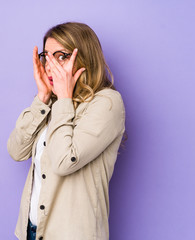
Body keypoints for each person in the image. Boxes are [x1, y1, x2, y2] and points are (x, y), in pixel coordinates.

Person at [7, 22, 125, 240]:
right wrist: (42, 98)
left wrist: (63, 99)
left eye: (61, 56)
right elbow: (16, 151)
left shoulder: (107, 103)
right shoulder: (51, 104)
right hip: (32, 231)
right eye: (46, 57)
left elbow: (64, 162)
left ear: (85, 58)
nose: (50, 66)